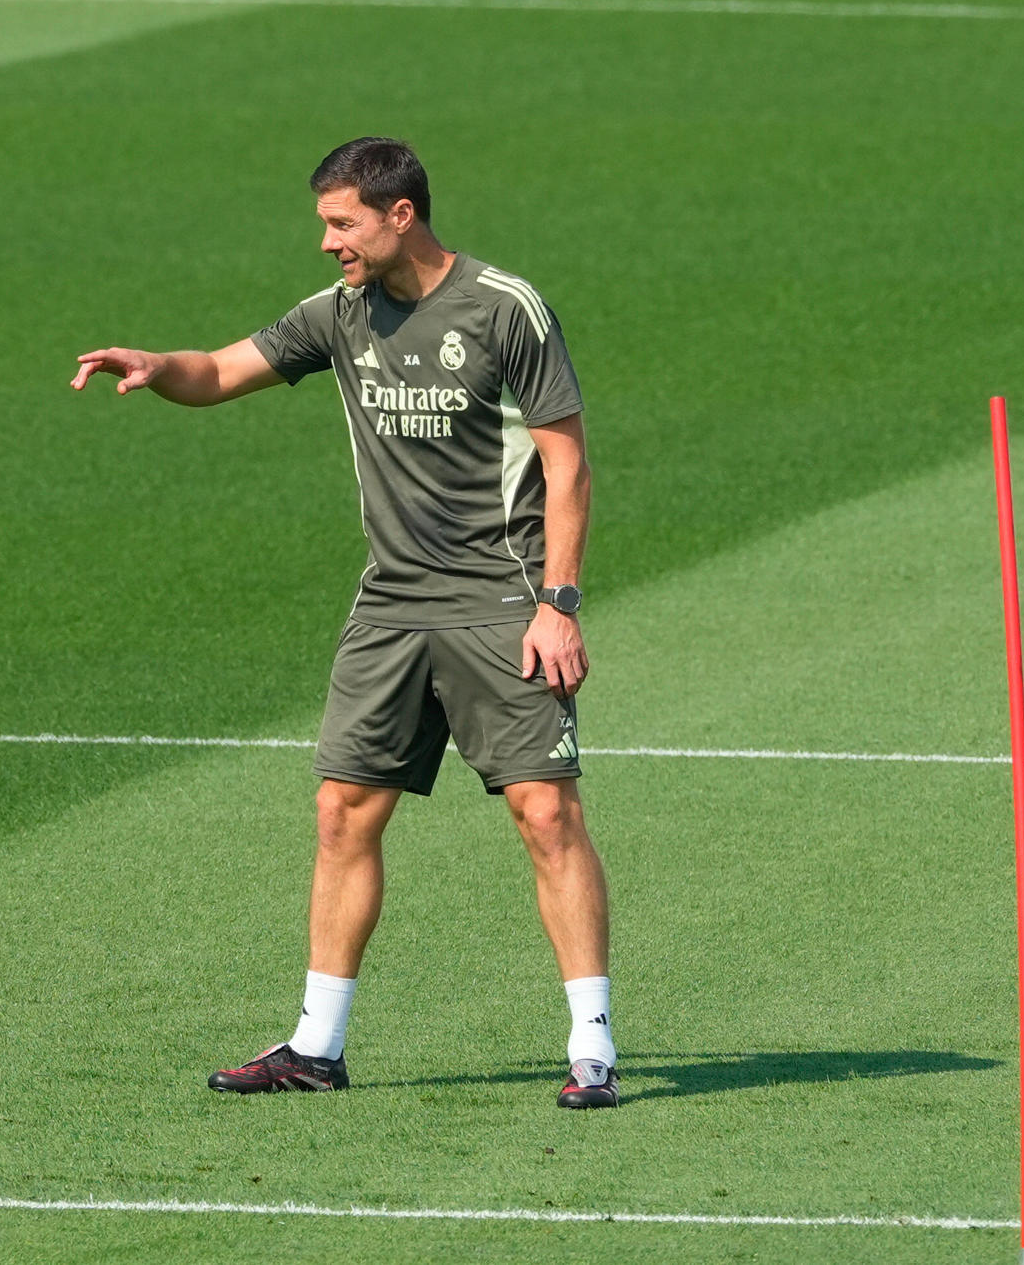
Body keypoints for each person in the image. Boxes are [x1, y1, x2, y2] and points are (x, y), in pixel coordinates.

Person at [70, 137, 616, 1109]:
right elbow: (220, 371)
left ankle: (593, 1047)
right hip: (392, 603)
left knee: (545, 813)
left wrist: (558, 603)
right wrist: (157, 365)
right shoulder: (342, 312)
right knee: (342, 812)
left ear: (401, 213)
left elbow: (566, 463)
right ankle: (315, 1046)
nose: (329, 242)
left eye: (342, 222)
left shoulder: (505, 308)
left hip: (501, 599)